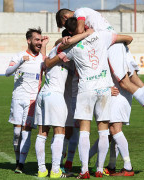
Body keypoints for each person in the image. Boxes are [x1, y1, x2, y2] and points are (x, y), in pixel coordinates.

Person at [56, 8, 144, 134]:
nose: (68, 29)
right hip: (116, 41)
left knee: (123, 82)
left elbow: (79, 31)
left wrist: (73, 37)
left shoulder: (79, 12)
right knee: (134, 78)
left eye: (65, 26)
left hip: (111, 45)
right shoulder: (90, 15)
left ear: (65, 17)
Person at [55, 17, 134, 179]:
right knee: (103, 131)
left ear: (69, 32)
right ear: (83, 26)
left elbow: (58, 49)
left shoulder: (72, 46)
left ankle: (84, 170)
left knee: (84, 131)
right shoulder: (101, 36)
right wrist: (89, 34)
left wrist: (70, 39)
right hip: (104, 88)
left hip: (86, 90)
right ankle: (99, 169)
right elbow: (128, 38)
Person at [34, 29, 93, 178]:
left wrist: (46, 47)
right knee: (60, 133)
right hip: (55, 95)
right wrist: (87, 34)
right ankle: (55, 171)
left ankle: (42, 170)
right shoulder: (66, 51)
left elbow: (46, 61)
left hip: (43, 94)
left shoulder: (56, 49)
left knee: (42, 134)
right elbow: (50, 60)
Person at [5, 27, 48, 174]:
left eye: (40, 40)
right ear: (28, 40)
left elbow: (47, 68)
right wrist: (20, 63)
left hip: (32, 100)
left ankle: (21, 164)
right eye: (37, 39)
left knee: (26, 132)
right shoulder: (19, 56)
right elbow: (7, 73)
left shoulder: (41, 59)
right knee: (17, 133)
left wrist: (45, 47)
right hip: (18, 98)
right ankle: (18, 159)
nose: (39, 42)